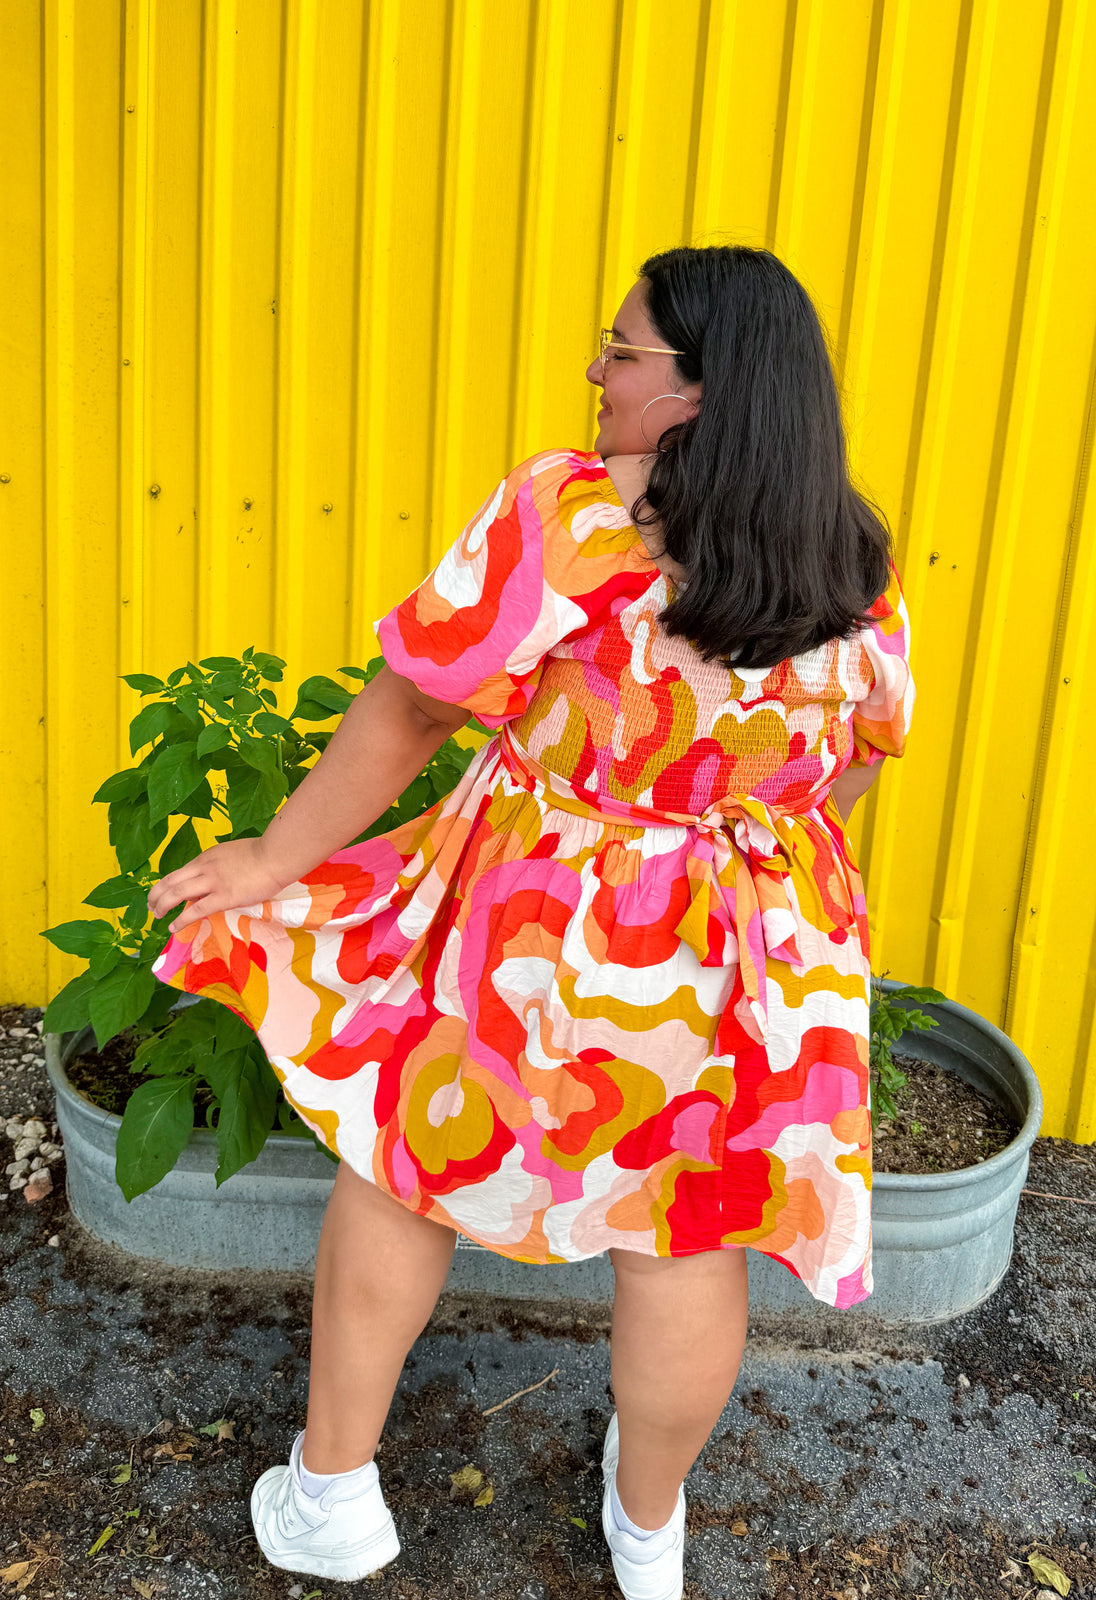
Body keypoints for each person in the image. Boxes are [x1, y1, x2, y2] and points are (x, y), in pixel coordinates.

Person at [149, 243, 914, 1599]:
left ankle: (332, 1496)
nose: (596, 372)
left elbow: (416, 702)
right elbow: (856, 757)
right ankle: (650, 1531)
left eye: (621, 350)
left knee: (409, 1161)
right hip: (751, 943)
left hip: (548, 911)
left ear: (698, 386)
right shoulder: (849, 554)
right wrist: (730, 843)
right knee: (686, 1234)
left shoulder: (572, 514)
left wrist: (275, 855)